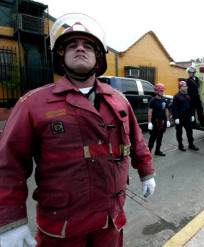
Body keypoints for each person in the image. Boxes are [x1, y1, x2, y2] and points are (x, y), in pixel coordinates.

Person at [0, 13, 155, 246]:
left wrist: (147, 172)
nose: (80, 48)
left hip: (110, 221)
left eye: (87, 45)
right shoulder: (33, 103)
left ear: (98, 57)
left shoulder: (118, 100)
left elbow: (137, 141)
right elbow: (8, 165)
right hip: (63, 228)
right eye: (72, 45)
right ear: (62, 58)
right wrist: (10, 221)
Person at [172, 81, 199, 151]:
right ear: (180, 87)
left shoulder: (188, 95)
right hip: (180, 117)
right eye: (184, 86)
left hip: (187, 117)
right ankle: (180, 145)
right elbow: (174, 108)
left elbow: (191, 106)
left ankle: (191, 144)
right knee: (179, 132)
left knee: (190, 131)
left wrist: (192, 115)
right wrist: (176, 118)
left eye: (186, 86)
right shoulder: (176, 96)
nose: (186, 87)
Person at [147, 83, 171, 156]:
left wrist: (167, 120)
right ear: (156, 91)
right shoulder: (153, 101)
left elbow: (166, 110)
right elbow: (150, 112)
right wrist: (149, 122)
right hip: (155, 122)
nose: (162, 92)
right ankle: (148, 153)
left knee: (160, 137)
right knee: (152, 138)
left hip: (162, 122)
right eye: (160, 91)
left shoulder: (164, 100)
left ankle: (157, 151)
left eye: (162, 91)